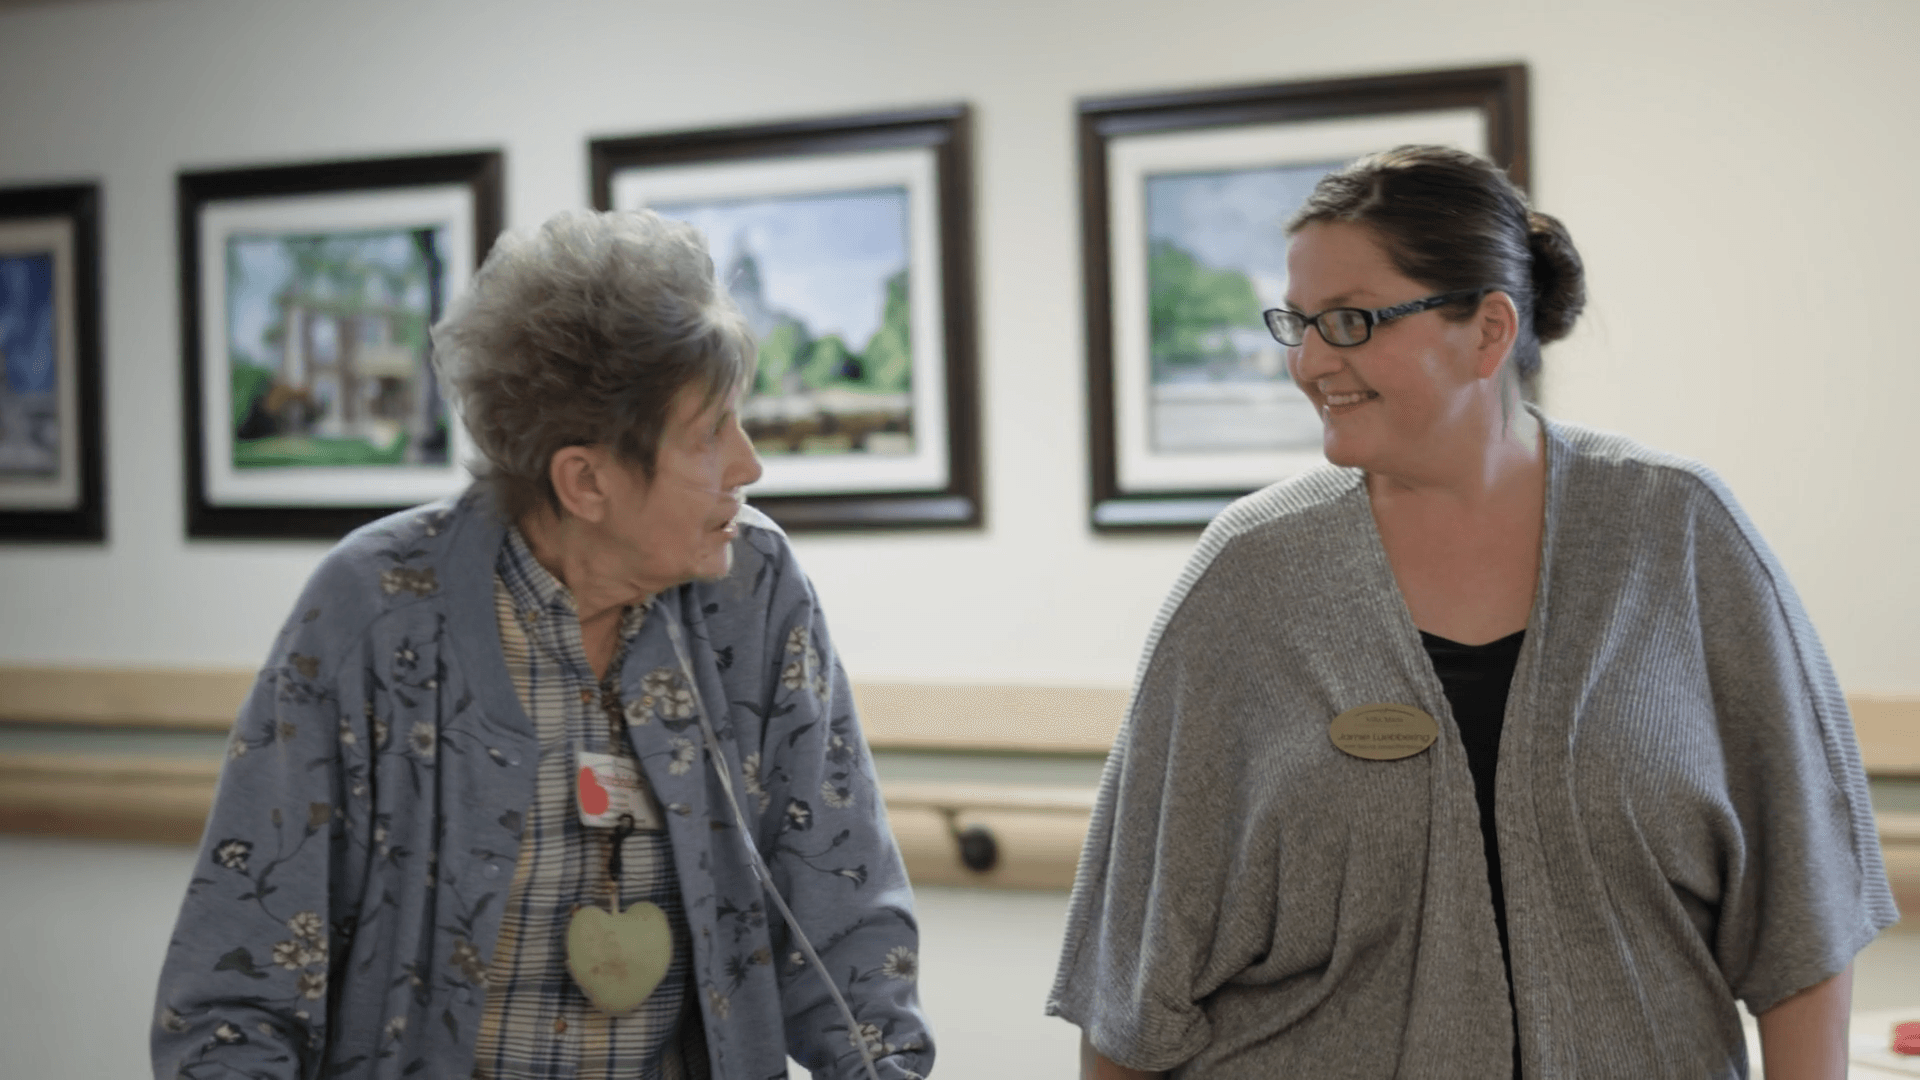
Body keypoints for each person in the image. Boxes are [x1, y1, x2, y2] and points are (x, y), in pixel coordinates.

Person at [1049, 145, 1897, 1079]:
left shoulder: (1679, 535)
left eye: (1351, 321)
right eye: (1298, 322)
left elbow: (1804, 914)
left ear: (1488, 331)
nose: (1308, 361)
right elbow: (1132, 981)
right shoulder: (1248, 577)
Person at [152, 209, 932, 1080]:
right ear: (585, 478)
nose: (748, 465)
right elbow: (237, 989)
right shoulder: (374, 609)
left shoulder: (751, 590)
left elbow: (847, 911)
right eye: (709, 434)